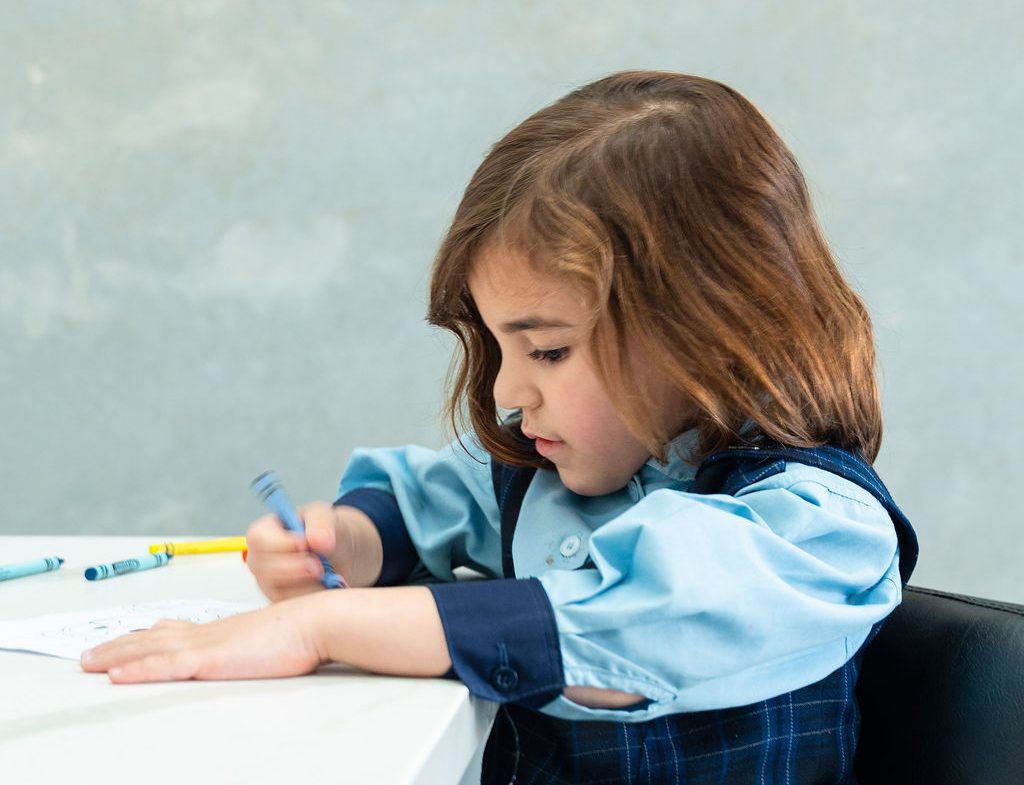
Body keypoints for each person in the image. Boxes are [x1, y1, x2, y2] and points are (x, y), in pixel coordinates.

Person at [82, 71, 917, 784]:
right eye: (500, 346)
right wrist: (342, 540)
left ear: (702, 328)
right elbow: (423, 500)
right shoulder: (549, 462)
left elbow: (593, 619)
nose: (511, 390)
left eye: (548, 350)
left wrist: (314, 626)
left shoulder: (815, 534)